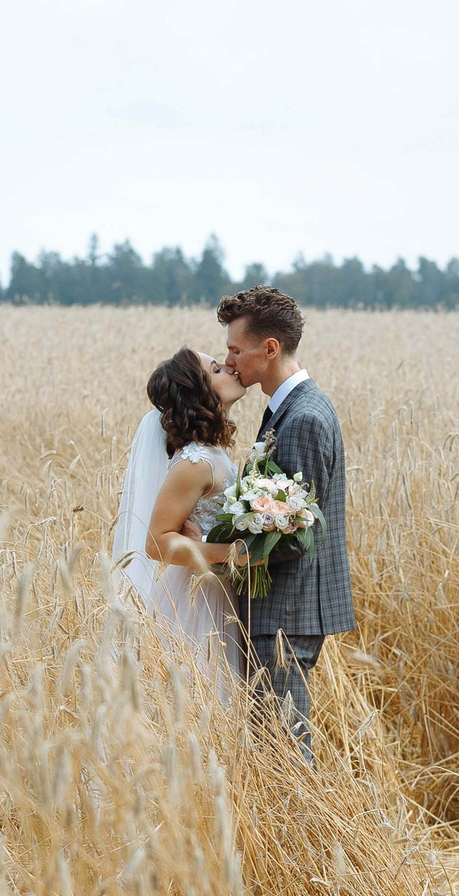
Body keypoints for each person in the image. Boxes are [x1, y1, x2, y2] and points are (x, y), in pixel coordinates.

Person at [217, 284, 353, 754]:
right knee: (275, 746)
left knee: (285, 755)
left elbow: (298, 533)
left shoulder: (303, 419)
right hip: (283, 610)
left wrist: (225, 553)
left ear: (269, 348)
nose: (229, 359)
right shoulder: (289, 410)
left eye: (236, 348)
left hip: (287, 612)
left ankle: (310, 831)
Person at [110, 348, 251, 713]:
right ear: (200, 391)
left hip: (218, 592)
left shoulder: (213, 453)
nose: (230, 368)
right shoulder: (195, 462)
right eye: (217, 369)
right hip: (196, 600)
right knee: (198, 709)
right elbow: (157, 542)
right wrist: (229, 553)